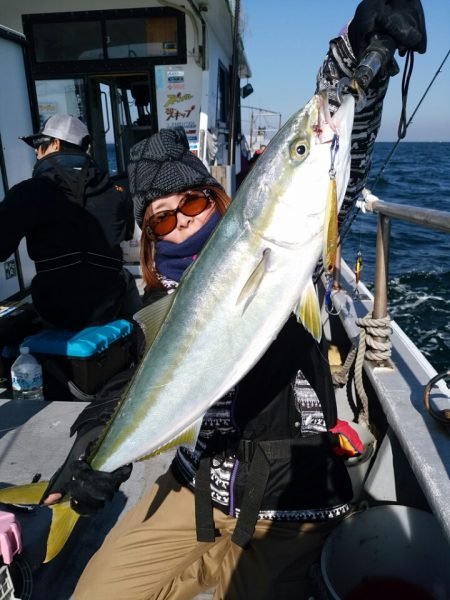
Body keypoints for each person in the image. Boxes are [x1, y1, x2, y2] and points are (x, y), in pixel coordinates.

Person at [42, 1, 426, 598]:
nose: (182, 225)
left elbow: (328, 153)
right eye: (161, 222)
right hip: (194, 486)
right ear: (148, 239)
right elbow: (129, 385)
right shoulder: (153, 303)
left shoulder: (300, 257)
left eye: (192, 205)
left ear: (219, 202)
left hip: (288, 505)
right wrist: (91, 451)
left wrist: (353, 56)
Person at [0, 114, 142, 330]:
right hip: (109, 307)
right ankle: (139, 342)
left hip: (54, 311)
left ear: (55, 144)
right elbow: (126, 235)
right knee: (123, 277)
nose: (36, 152)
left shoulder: (27, 192)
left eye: (38, 145)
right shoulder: (116, 191)